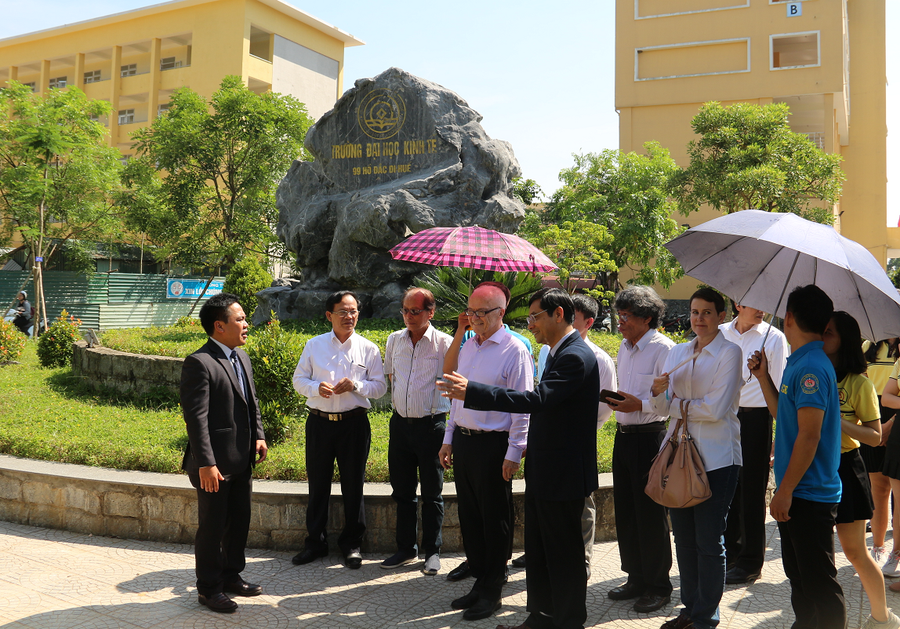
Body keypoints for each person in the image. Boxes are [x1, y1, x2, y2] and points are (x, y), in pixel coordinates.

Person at [439, 287, 599, 629]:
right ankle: (541, 616)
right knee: (540, 552)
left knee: (564, 554)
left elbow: (536, 400)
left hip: (563, 473)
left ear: (558, 314)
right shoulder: (556, 352)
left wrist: (475, 392)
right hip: (547, 470)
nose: (530, 325)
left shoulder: (575, 356)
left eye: (535, 317)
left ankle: (567, 620)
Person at [748, 284, 846, 629]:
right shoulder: (799, 362)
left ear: (788, 317)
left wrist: (785, 490)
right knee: (800, 581)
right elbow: (785, 416)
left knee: (819, 584)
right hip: (797, 490)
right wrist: (763, 379)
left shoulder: (811, 368)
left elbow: (809, 435)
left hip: (808, 492)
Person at [437, 283, 532, 621]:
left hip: (494, 445)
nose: (474, 318)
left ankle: (493, 588)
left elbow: (523, 407)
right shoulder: (468, 347)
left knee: (495, 519)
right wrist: (449, 437)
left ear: (501, 313)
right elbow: (456, 399)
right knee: (471, 516)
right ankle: (480, 580)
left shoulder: (514, 350)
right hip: (464, 440)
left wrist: (514, 451)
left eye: (482, 312)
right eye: (471, 311)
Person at [650, 288, 742, 629]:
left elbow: (716, 411)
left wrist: (674, 405)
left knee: (708, 539)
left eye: (706, 312)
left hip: (718, 459)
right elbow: (660, 408)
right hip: (678, 458)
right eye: (694, 312)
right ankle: (689, 609)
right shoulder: (677, 352)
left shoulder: (729, 353)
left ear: (721, 316)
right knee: (684, 539)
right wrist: (658, 394)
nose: (699, 318)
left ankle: (706, 615)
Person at [180, 292, 268, 614]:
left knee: (239, 521)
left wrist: (258, 435)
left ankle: (231, 575)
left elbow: (251, 402)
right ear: (219, 326)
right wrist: (206, 463)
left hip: (241, 458)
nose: (246, 324)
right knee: (213, 526)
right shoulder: (199, 363)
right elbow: (196, 418)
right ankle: (208, 589)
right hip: (213, 466)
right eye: (240, 319)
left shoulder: (241, 357)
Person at [291, 290, 387, 569]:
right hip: (320, 423)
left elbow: (380, 388)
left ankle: (352, 544)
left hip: (354, 424)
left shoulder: (368, 348)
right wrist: (314, 388)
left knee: (353, 485)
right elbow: (299, 380)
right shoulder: (314, 345)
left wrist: (357, 386)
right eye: (343, 312)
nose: (350, 317)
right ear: (329, 315)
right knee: (317, 484)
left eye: (354, 311)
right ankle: (315, 543)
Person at [822, 312, 900, 629]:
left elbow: (874, 435)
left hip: (845, 469)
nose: (821, 337)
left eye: (828, 333)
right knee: (815, 552)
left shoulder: (859, 382)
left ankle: (883, 618)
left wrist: (837, 421)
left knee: (855, 551)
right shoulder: (811, 374)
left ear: (845, 341)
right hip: (812, 468)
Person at [603, 285, 675, 613]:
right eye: (619, 315)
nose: (620, 321)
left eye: (627, 316)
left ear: (646, 318)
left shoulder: (664, 349)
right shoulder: (625, 346)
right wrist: (620, 402)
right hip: (624, 435)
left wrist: (639, 403)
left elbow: (669, 402)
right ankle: (635, 576)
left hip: (650, 437)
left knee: (650, 512)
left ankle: (658, 585)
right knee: (627, 510)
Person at [381, 287, 453, 575]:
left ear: (430, 313)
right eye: (405, 310)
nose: (409, 316)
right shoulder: (394, 340)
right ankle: (405, 548)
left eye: (415, 311)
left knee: (432, 492)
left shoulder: (445, 343)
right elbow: (391, 377)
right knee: (402, 490)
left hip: (431, 425)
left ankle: (432, 551)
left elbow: (454, 383)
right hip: (400, 425)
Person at [720, 303, 789, 584]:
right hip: (724, 417)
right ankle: (731, 553)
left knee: (751, 490)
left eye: (765, 305)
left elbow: (782, 385)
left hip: (758, 418)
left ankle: (750, 562)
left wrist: (778, 434)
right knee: (727, 488)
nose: (762, 310)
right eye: (755, 304)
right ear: (739, 303)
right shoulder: (722, 333)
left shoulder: (773, 337)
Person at [571, 293, 616, 578]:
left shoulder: (599, 359)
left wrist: (584, 430)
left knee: (582, 499)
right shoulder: (547, 350)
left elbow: (606, 405)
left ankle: (583, 557)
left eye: (571, 318)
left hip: (581, 439)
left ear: (588, 323)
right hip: (552, 441)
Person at [863, 338, 899, 567]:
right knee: (878, 488)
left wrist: (891, 424)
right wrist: (874, 425)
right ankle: (878, 546)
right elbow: (861, 386)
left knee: (898, 491)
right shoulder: (867, 346)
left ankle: (896, 552)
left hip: (896, 417)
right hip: (872, 416)